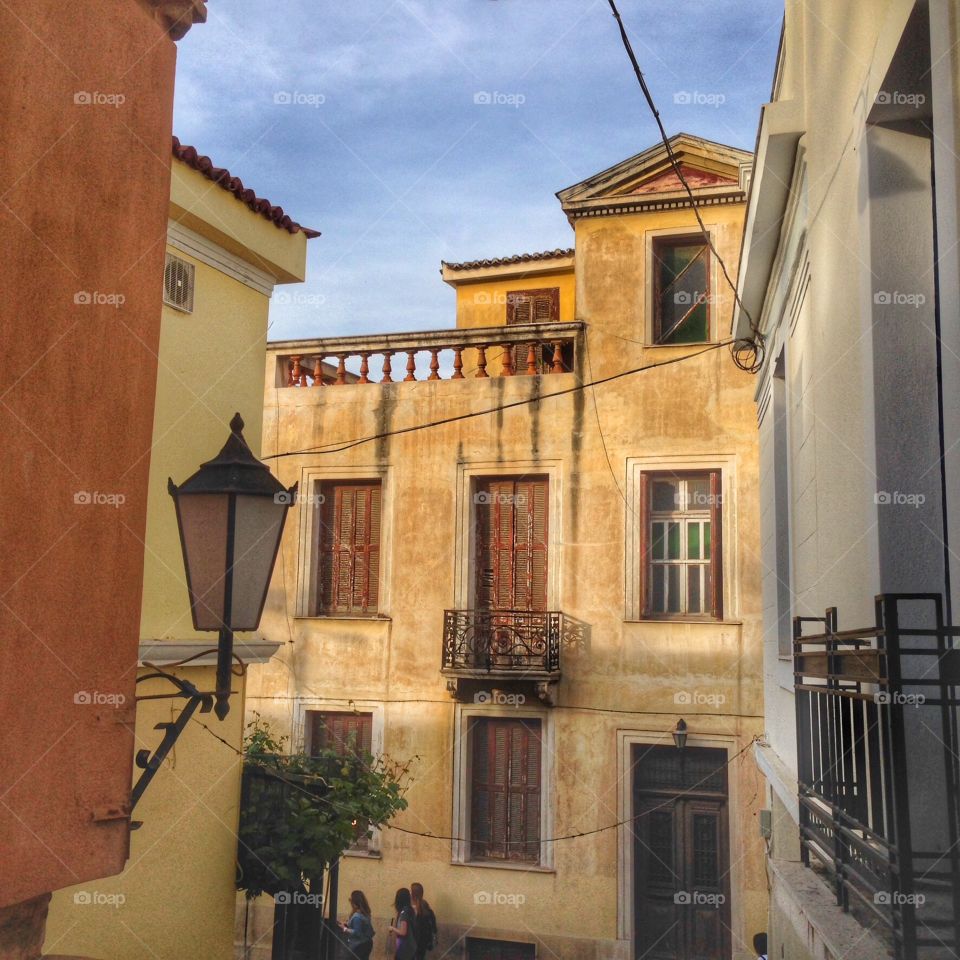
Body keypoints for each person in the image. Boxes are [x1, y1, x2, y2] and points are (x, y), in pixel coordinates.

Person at [340, 890, 374, 960]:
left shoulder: (357, 916)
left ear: (354, 902)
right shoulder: (366, 913)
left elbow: (357, 932)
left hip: (359, 946)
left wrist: (344, 929)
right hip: (367, 943)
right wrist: (347, 924)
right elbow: (362, 927)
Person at [388, 888, 418, 960]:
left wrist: (392, 928)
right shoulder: (410, 910)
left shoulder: (404, 913)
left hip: (405, 948)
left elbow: (403, 932)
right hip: (410, 946)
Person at [410, 882, 437, 958]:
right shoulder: (425, 904)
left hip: (414, 938)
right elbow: (432, 920)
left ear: (413, 893)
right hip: (423, 939)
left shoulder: (411, 906)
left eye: (410, 890)